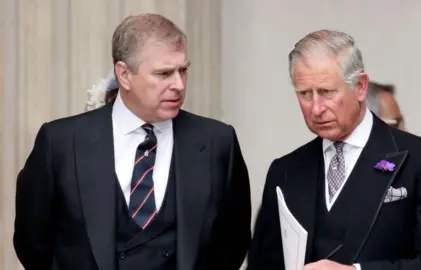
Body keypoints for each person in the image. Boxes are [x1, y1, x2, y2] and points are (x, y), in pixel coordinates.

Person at [14, 13, 251, 270]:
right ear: (124, 74)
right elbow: (32, 242)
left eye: (183, 70)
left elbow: (233, 242)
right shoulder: (60, 142)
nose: (179, 84)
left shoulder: (217, 142)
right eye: (164, 73)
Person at [247, 29, 421, 270]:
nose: (316, 108)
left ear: (360, 87)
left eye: (327, 92)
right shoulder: (286, 171)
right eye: (305, 94)